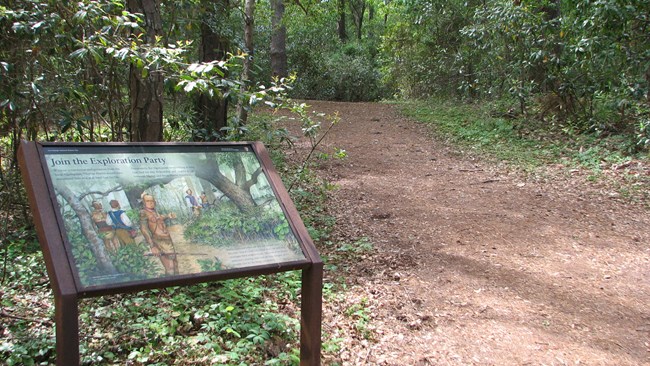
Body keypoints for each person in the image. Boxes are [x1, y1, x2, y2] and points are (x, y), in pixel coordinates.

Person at [140, 193, 178, 276]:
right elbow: (144, 229)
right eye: (148, 201)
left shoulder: (154, 211)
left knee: (174, 264)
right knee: (170, 268)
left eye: (152, 201)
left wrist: (168, 216)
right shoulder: (144, 213)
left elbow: (160, 217)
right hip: (158, 241)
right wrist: (152, 246)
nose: (151, 203)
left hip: (167, 240)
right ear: (144, 203)